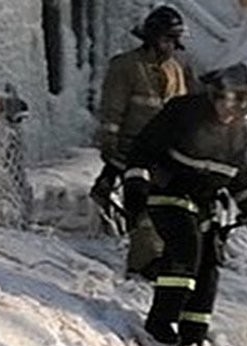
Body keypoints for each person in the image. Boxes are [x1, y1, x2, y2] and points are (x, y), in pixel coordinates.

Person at [120, 62, 247, 346]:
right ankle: (161, 323)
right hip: (167, 193)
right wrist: (135, 187)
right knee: (186, 248)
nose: (234, 111)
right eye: (231, 101)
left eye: (243, 104)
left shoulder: (238, 133)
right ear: (217, 95)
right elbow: (143, 149)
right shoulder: (183, 112)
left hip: (204, 204)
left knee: (209, 266)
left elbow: (238, 174)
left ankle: (193, 338)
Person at [90, 5, 191, 276]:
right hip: (131, 148)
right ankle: (143, 262)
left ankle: (164, 256)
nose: (170, 47)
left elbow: (180, 111)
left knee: (169, 205)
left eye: (174, 41)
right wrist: (110, 143)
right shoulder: (126, 66)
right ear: (152, 36)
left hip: (164, 152)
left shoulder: (175, 71)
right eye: (166, 39)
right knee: (143, 203)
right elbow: (112, 108)